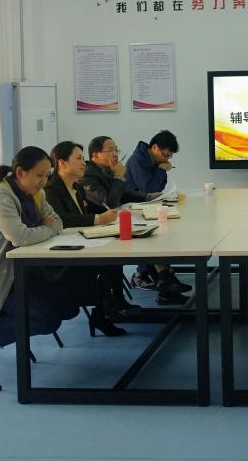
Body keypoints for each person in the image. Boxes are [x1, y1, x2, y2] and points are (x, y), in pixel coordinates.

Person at [0, 147, 70, 353]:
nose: (44, 181)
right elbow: (21, 237)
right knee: (48, 320)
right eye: (39, 175)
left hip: (23, 271)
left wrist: (45, 228)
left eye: (47, 175)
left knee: (67, 305)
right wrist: (47, 228)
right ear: (20, 172)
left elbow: (58, 222)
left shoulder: (36, 195)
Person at [44, 140, 142, 337]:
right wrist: (98, 219)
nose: (83, 163)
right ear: (62, 163)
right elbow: (61, 219)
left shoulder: (77, 188)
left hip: (80, 242)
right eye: (78, 159)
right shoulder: (51, 189)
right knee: (104, 264)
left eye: (83, 158)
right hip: (61, 253)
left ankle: (111, 307)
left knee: (114, 256)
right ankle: (106, 311)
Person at [123, 130, 191, 303]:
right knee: (157, 238)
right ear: (154, 147)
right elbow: (149, 188)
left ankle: (164, 282)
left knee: (166, 233)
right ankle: (162, 282)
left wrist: (161, 169)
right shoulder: (138, 160)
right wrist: (161, 169)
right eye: (165, 155)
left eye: (169, 157)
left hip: (145, 207)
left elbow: (158, 188)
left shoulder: (151, 160)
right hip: (132, 210)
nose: (166, 159)